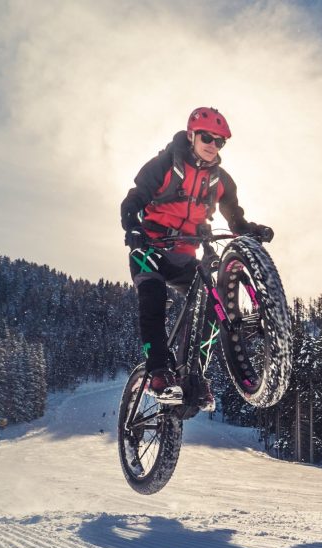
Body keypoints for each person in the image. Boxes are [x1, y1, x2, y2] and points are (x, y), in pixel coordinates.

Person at [120, 107, 273, 404]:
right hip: (149, 247)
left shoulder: (222, 181)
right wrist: (133, 229)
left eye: (220, 141)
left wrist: (249, 230)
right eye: (207, 137)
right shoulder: (165, 164)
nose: (212, 145)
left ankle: (195, 375)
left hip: (184, 254)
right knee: (152, 300)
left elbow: (234, 218)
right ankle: (158, 372)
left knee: (212, 302)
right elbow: (134, 198)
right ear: (192, 136)